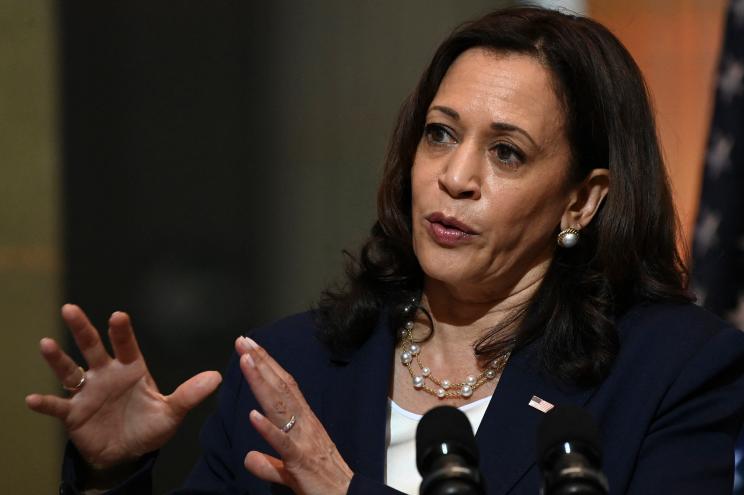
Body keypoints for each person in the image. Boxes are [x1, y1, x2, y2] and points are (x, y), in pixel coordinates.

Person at [26, 6, 744, 495]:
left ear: (582, 200)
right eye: (439, 133)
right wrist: (110, 474)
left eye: (506, 152)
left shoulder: (672, 369)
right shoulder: (291, 369)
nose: (454, 177)